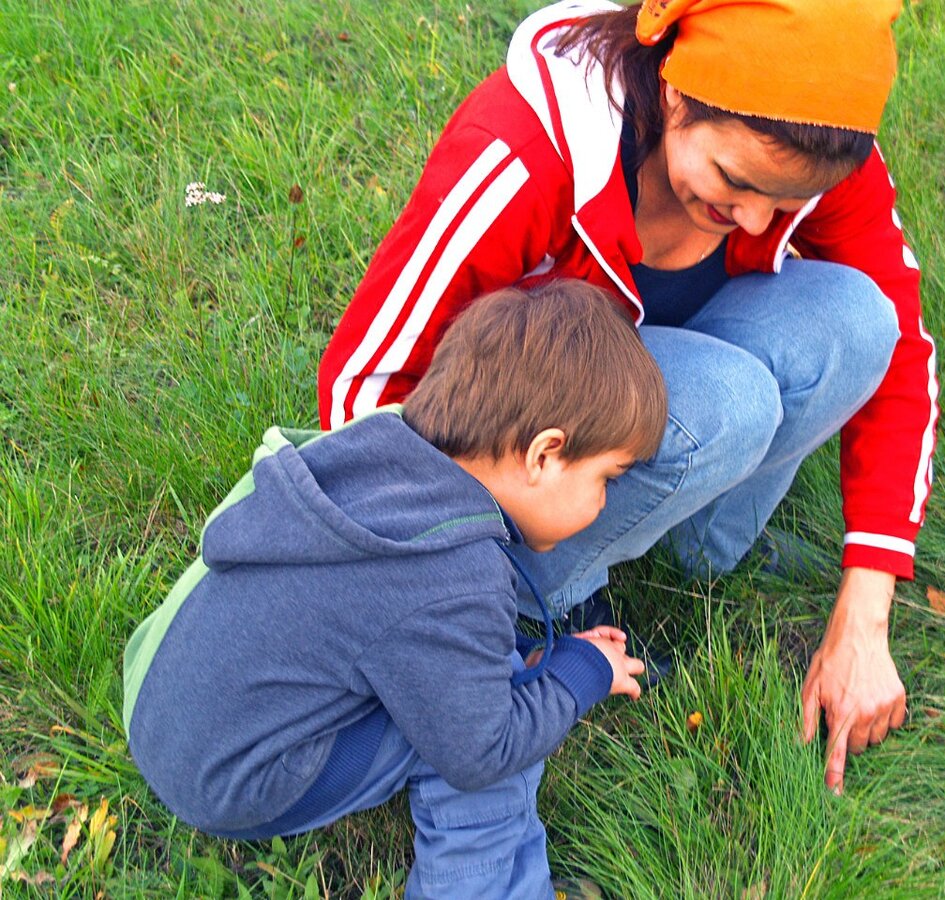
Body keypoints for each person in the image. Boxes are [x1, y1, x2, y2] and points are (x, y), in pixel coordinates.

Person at [318, 0, 939, 794]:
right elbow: (365, 381)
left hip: (628, 408)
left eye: (782, 207)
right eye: (734, 181)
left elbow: (903, 352)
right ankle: (534, 603)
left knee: (859, 321)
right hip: (502, 472)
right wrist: (421, 579)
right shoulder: (526, 147)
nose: (752, 218)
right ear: (678, 95)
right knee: (727, 401)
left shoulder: (805, 145)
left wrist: (867, 605)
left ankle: (692, 561)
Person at [122, 282, 666, 899]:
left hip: (157, 701)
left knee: (464, 674)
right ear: (544, 454)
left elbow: (391, 611)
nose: (603, 502)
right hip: (233, 782)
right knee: (497, 711)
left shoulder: (378, 444)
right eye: (607, 479)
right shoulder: (455, 577)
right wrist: (578, 673)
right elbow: (483, 749)